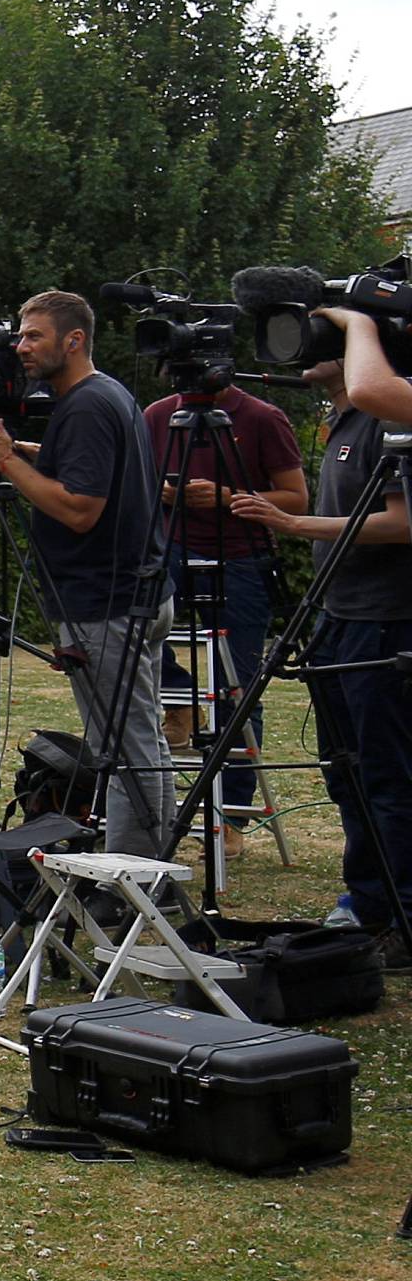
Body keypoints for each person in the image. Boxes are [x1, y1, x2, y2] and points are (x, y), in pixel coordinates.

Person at [0, 290, 174, 855]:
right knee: (137, 739)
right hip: (134, 593)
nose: (19, 346)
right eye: (19, 334)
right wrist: (26, 449)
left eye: (33, 336)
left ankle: (134, 876)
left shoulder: (83, 406)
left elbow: (80, 508)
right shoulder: (107, 397)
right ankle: (143, 859)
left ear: (73, 340)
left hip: (104, 602)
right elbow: (89, 467)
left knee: (124, 747)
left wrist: (5, 459)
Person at [231, 316, 412, 961]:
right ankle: (366, 902)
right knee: (348, 774)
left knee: (387, 777)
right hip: (342, 617)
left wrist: (293, 524)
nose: (299, 349)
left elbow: (402, 521)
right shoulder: (339, 421)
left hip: (385, 621)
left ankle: (399, 921)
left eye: (318, 336)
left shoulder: (388, 414)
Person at [144, 377, 306, 845]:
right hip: (171, 549)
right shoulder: (157, 415)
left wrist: (225, 496)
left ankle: (230, 817)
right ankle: (182, 703)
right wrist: (165, 494)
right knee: (130, 626)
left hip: (241, 559)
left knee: (235, 687)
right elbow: (135, 484)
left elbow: (295, 498)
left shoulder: (259, 416)